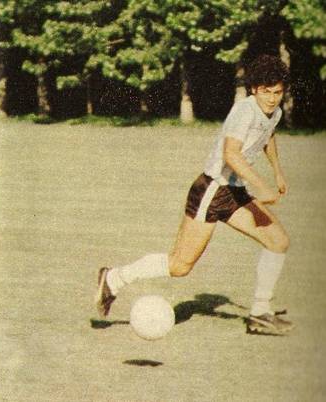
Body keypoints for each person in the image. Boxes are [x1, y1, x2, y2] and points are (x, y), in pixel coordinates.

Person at [95, 54, 293, 335]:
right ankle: (114, 279)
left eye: (277, 92)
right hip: (212, 190)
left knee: (278, 241)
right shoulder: (244, 111)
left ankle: (260, 313)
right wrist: (261, 185)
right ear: (253, 89)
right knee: (180, 265)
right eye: (266, 92)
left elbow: (268, 134)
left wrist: (277, 171)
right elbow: (231, 154)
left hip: (234, 191)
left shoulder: (274, 112)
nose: (272, 99)